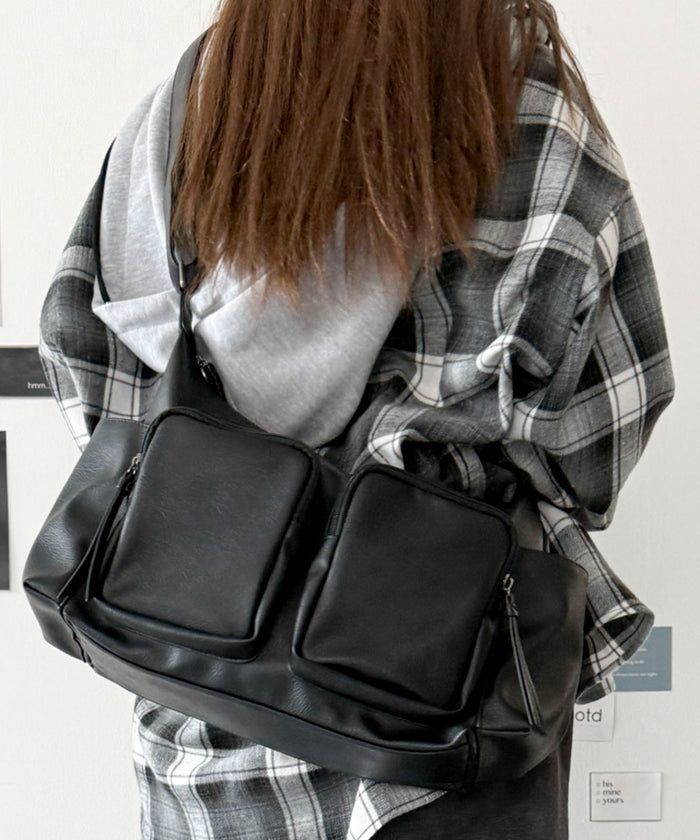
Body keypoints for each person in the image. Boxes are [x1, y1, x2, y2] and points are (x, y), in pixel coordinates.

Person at [38, 1, 674, 838]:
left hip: (202, 727)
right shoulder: (527, 109)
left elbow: (89, 368)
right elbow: (599, 437)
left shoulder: (191, 109)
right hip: (442, 714)